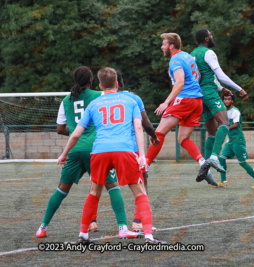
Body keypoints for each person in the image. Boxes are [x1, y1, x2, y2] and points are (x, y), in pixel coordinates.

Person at [58, 67, 164, 244]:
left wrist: (64, 154)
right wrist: (142, 155)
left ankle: (83, 235)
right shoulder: (130, 100)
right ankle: (148, 236)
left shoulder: (94, 104)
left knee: (94, 192)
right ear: (117, 83)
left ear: (100, 86)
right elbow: (139, 128)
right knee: (139, 192)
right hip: (124, 149)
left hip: (100, 151)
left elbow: (75, 133)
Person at [36, 66, 136, 239]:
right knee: (112, 186)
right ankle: (122, 228)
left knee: (61, 190)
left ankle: (42, 228)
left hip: (74, 149)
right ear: (91, 81)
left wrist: (77, 134)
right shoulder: (99, 96)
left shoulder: (66, 100)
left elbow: (60, 129)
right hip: (97, 149)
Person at [145, 33, 211, 182]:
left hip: (185, 101)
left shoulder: (175, 60)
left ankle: (144, 168)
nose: (162, 47)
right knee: (182, 138)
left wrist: (166, 102)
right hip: (197, 102)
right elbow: (198, 75)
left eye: (164, 44)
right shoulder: (187, 56)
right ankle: (202, 162)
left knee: (157, 135)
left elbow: (180, 82)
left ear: (171, 46)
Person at [191, 29, 248, 174]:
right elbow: (220, 75)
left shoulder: (191, 55)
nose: (212, 36)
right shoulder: (208, 53)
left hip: (198, 96)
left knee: (212, 133)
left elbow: (200, 76)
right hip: (209, 93)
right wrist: (239, 88)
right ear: (206, 39)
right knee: (225, 123)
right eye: (210, 35)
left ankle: (205, 167)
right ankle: (215, 157)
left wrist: (221, 89)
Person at [217, 94, 254, 188]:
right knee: (221, 158)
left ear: (232, 101)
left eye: (229, 99)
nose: (227, 101)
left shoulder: (235, 111)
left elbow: (236, 124)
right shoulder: (223, 112)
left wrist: (224, 128)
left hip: (238, 140)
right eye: (225, 99)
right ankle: (223, 181)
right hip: (230, 140)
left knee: (242, 162)